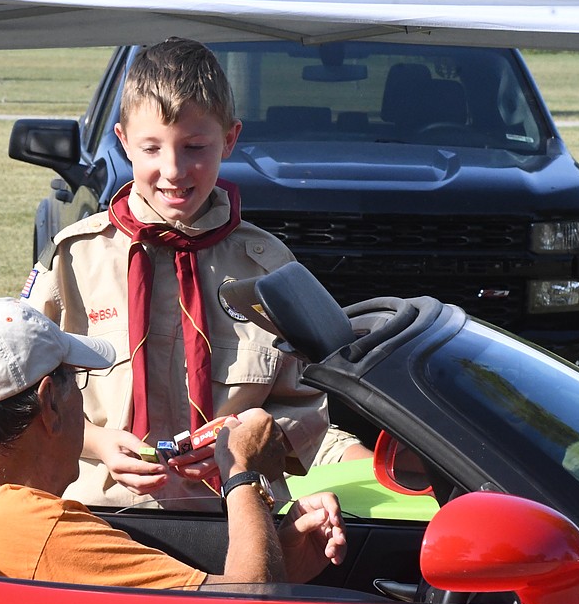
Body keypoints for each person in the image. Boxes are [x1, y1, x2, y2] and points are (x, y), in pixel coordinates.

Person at [22, 36, 366, 510]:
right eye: (151, 148)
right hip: (97, 515)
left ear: (229, 139)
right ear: (122, 142)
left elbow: (307, 408)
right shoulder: (75, 260)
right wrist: (97, 442)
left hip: (235, 519)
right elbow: (23, 396)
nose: (173, 169)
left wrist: (250, 440)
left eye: (195, 147)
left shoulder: (267, 267)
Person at [0, 297, 345, 589]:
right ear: (49, 402)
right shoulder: (40, 530)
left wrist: (278, 555)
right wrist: (240, 469)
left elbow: (228, 590)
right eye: (78, 380)